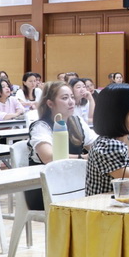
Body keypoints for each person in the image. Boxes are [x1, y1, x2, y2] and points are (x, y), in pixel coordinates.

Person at [25, 81, 98, 210]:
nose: (71, 102)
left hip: (73, 183)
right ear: (50, 104)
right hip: (46, 190)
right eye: (65, 98)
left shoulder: (77, 121)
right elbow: (49, 157)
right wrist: (83, 158)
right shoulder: (41, 126)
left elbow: (96, 146)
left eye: (72, 97)